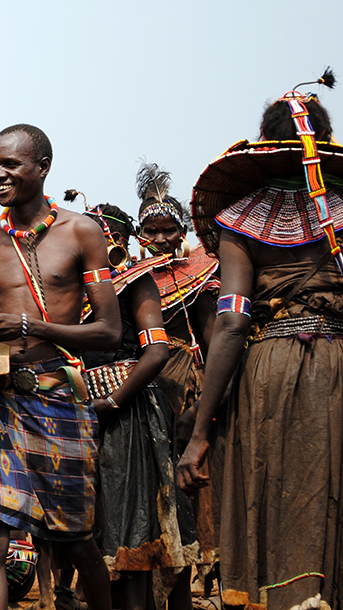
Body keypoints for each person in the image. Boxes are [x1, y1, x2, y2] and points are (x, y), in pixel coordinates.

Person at [178, 81, 343, 610]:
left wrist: (200, 433)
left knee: (276, 497)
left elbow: (229, 327)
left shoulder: (240, 223)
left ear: (265, 144)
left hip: (269, 370)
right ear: (327, 138)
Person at [0, 124, 122, 610]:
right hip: (0, 401)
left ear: (42, 168)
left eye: (9, 164)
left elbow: (109, 332)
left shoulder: (81, 232)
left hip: (58, 398)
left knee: (74, 540)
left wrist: (31, 327)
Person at [77, 204, 189, 610]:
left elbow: (156, 351)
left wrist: (111, 401)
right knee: (103, 534)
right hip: (86, 413)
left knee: (135, 534)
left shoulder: (135, 281)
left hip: (129, 416)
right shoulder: (74, 287)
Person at [134, 162, 220, 601]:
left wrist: (199, 406)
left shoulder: (201, 273)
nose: (162, 238)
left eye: (170, 229)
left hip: (190, 396)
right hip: (151, 394)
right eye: (153, 230)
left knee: (193, 490)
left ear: (182, 229)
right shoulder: (134, 278)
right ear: (139, 233)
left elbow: (210, 337)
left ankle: (205, 577)